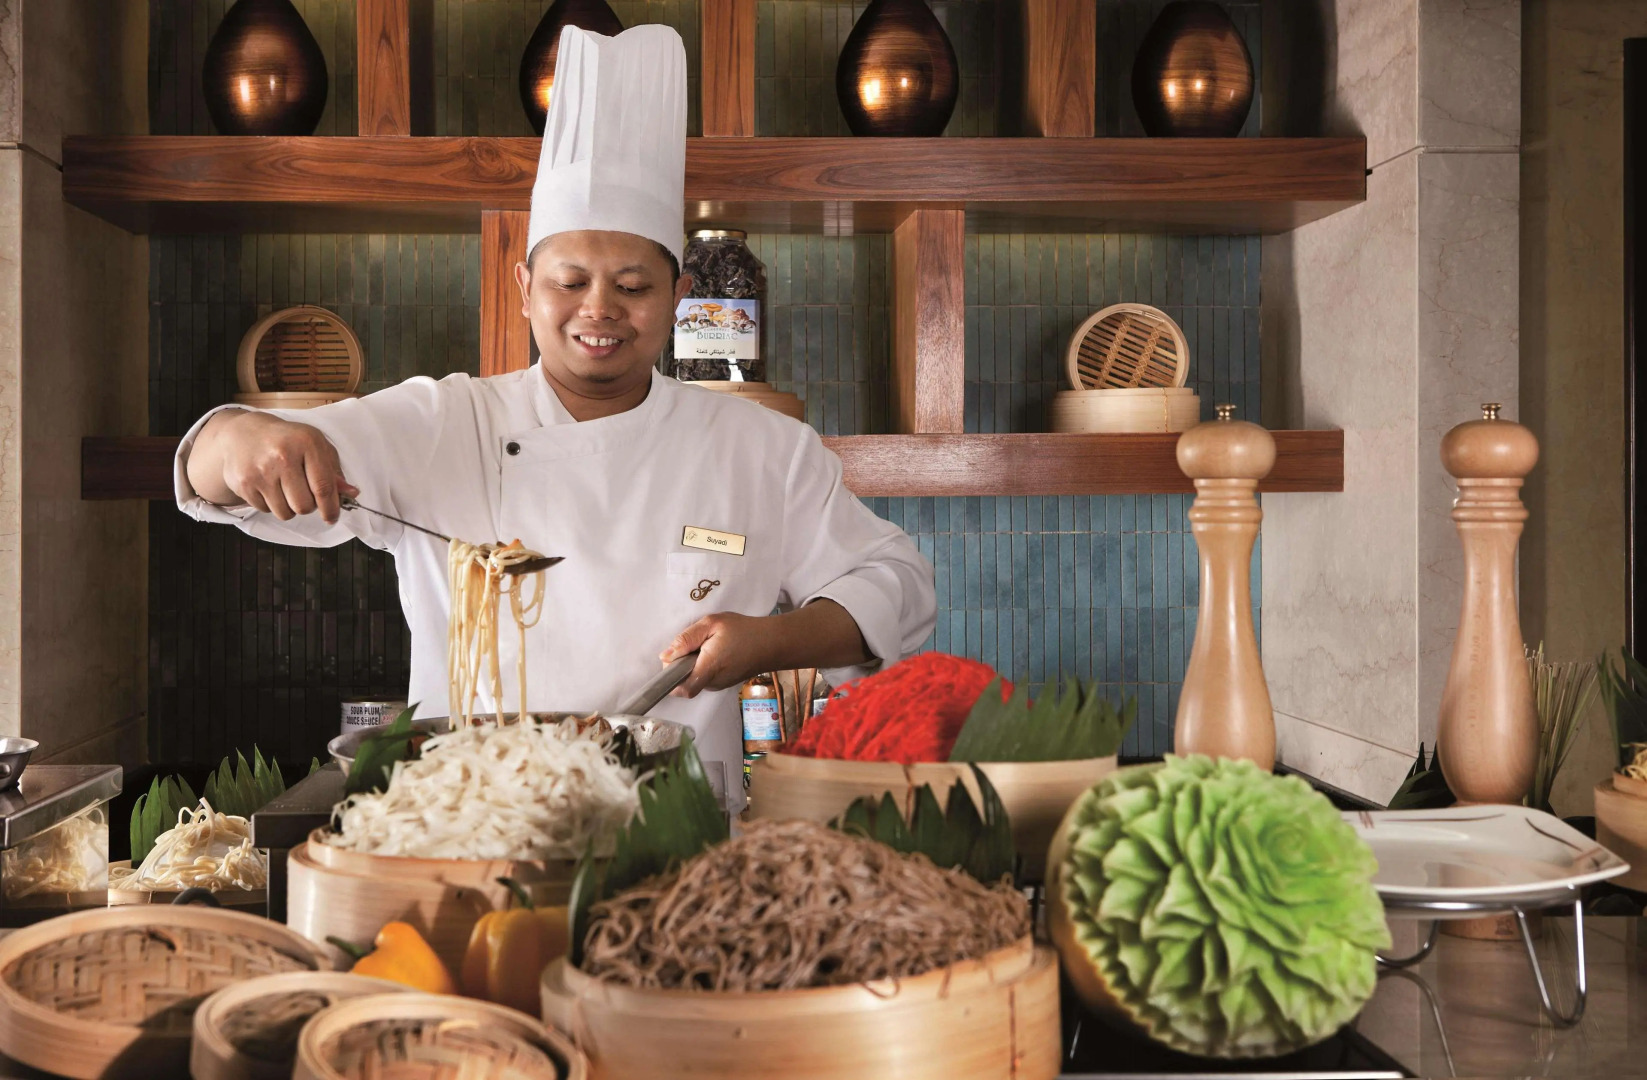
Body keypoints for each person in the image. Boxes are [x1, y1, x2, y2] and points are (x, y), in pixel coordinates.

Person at [172, 24, 937, 798]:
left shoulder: (762, 448)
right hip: (467, 822)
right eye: (569, 282)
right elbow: (212, 468)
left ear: (675, 299)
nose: (598, 310)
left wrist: (769, 640)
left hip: (671, 830)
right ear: (524, 289)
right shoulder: (443, 422)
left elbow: (898, 583)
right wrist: (247, 438)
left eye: (633, 287)